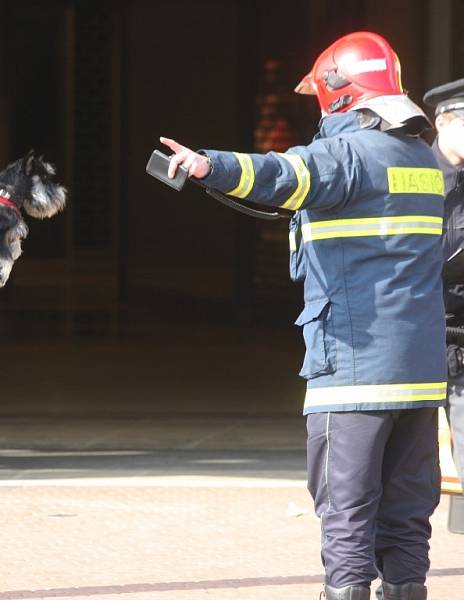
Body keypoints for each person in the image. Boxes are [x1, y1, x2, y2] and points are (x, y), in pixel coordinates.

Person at [161, 32, 445, 600]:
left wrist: (204, 167)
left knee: (346, 506)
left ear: (336, 92)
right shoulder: (423, 159)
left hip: (354, 367)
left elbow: (280, 176)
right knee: (408, 508)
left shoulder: (346, 155)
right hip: (419, 370)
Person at [424, 79, 464, 491]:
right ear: (444, 124)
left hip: (460, 344)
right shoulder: (413, 177)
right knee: (405, 479)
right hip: (415, 341)